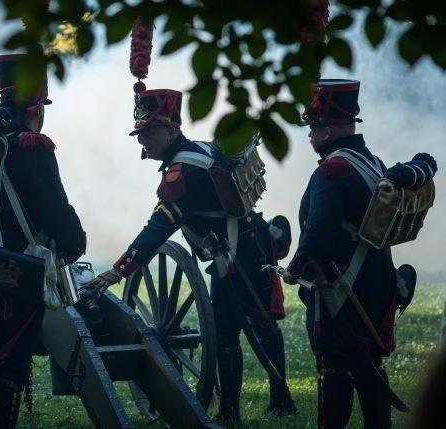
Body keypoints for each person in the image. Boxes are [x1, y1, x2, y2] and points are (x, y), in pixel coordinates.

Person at [87, 88, 296, 425]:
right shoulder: (201, 149)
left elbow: (155, 232)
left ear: (171, 130)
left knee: (228, 333)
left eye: (150, 133)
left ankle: (232, 409)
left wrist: (116, 273)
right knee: (262, 323)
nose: (143, 141)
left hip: (234, 255)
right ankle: (280, 399)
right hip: (251, 242)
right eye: (141, 133)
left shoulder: (179, 176)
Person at [283, 79, 437, 429]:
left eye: (314, 127)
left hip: (343, 288)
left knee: (336, 367)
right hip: (378, 281)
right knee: (370, 365)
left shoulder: (333, 170)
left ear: (330, 128)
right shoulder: (371, 160)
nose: (310, 135)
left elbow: (317, 232)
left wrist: (294, 269)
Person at [0, 53, 86, 428]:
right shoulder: (33, 148)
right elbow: (57, 211)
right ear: (37, 105)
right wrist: (75, 243)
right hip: (12, 266)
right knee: (11, 361)